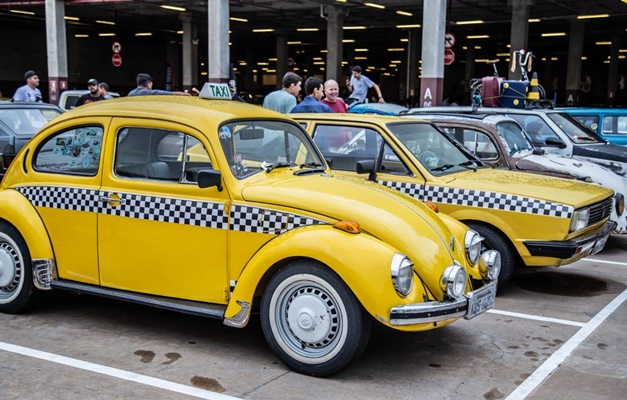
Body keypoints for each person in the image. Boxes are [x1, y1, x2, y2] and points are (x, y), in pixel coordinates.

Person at [128, 73, 192, 96]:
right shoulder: (147, 92)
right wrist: (186, 94)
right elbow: (169, 94)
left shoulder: (130, 93)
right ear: (149, 84)